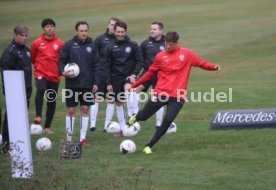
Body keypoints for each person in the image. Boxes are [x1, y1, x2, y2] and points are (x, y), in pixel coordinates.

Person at [128, 31, 220, 154]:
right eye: (167, 44)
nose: (168, 47)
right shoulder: (160, 56)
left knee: (168, 120)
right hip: (160, 93)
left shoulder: (187, 54)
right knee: (144, 116)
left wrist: (214, 67)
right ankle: (136, 117)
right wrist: (135, 85)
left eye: (171, 44)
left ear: (177, 43)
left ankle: (149, 145)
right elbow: (150, 73)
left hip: (178, 96)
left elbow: (201, 63)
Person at [58, 21, 100, 145]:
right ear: (76, 31)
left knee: (85, 109)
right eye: (81, 31)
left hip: (87, 84)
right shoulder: (69, 45)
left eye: (85, 30)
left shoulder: (92, 46)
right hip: (72, 84)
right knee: (71, 110)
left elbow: (97, 65)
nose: (84, 33)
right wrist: (62, 71)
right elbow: (61, 61)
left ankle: (82, 138)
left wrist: (96, 82)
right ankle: (69, 138)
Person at [105, 20, 143, 137]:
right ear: (114, 31)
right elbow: (107, 66)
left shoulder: (133, 45)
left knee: (130, 91)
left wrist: (134, 75)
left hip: (128, 76)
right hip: (115, 78)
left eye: (122, 32)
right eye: (118, 32)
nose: (120, 34)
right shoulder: (110, 47)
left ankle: (132, 119)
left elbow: (140, 61)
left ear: (125, 32)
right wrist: (108, 82)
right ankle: (123, 129)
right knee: (119, 103)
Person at [0, 26, 32, 153]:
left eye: (26, 35)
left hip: (26, 88)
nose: (24, 38)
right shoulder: (10, 51)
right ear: (15, 35)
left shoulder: (26, 50)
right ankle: (7, 144)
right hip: (14, 90)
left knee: (22, 116)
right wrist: (10, 90)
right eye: (22, 35)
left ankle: (18, 141)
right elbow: (5, 72)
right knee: (10, 117)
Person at [31, 18, 64, 134]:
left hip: (54, 75)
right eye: (47, 26)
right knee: (40, 89)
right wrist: (40, 67)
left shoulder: (59, 43)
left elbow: (62, 59)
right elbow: (33, 58)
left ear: (54, 28)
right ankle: (38, 116)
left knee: (51, 100)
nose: (49, 28)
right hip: (41, 73)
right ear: (43, 29)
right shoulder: (36, 43)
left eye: (51, 26)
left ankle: (47, 127)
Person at [89, 17, 119, 133]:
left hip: (113, 75)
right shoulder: (100, 39)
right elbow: (93, 57)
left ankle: (107, 125)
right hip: (101, 73)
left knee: (111, 99)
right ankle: (92, 125)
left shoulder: (119, 39)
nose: (113, 27)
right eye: (111, 25)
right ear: (108, 25)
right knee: (97, 98)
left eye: (115, 25)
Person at [139, 21, 166, 129]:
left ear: (161, 31)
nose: (152, 31)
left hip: (161, 75)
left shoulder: (166, 44)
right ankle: (134, 118)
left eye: (154, 29)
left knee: (158, 98)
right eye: (151, 29)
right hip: (147, 73)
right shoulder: (145, 44)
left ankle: (158, 124)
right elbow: (140, 60)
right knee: (135, 92)